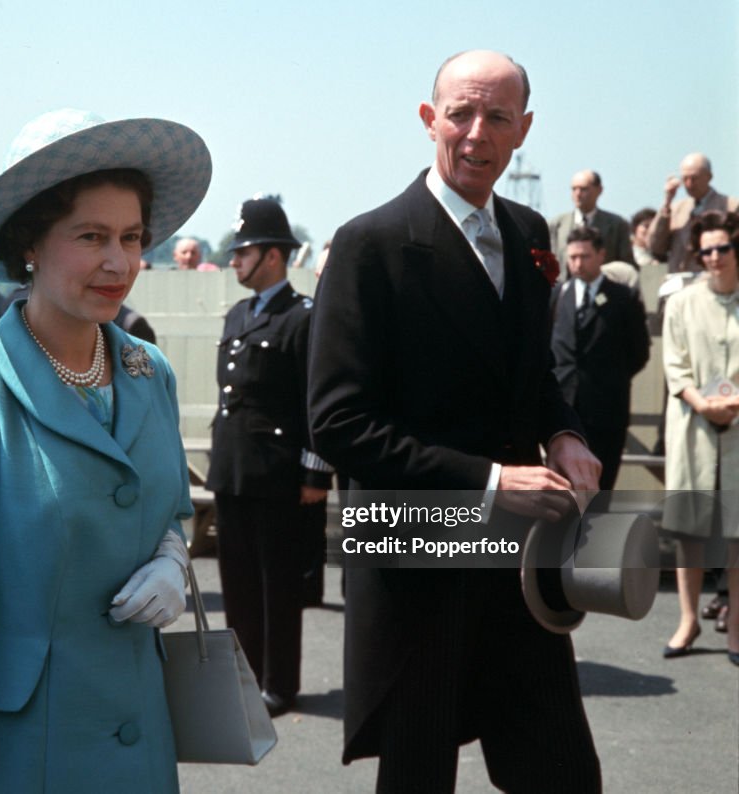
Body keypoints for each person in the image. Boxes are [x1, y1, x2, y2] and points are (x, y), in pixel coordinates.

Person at [0, 107, 212, 792]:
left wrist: (174, 562)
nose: (119, 262)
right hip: (10, 758)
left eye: (131, 237)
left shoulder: (150, 375)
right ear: (29, 243)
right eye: (91, 237)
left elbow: (172, 508)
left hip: (138, 745)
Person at [307, 50, 603, 792]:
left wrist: (565, 433)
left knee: (561, 770)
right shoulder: (368, 245)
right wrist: (492, 480)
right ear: (428, 119)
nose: (477, 133)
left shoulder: (531, 231)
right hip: (418, 566)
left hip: (517, 561)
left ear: (523, 128)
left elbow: (531, 381)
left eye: (497, 116)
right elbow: (338, 423)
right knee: (418, 775)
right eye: (461, 113)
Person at [205, 197, 332, 718]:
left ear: (274, 257)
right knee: (235, 583)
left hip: (279, 473)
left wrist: (315, 471)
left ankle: (279, 683)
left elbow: (317, 401)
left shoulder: (302, 318)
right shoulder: (238, 314)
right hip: (234, 468)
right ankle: (246, 676)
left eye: (244, 251)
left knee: (277, 585)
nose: (235, 260)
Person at [660, 210, 739, 667]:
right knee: (689, 528)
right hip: (693, 422)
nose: (713, 257)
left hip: (736, 428)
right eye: (706, 249)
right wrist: (701, 401)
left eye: (722, 248)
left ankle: (736, 628)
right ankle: (688, 619)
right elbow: (674, 363)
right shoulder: (683, 301)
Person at [551, 226, 650, 492]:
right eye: (572, 257)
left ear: (601, 255)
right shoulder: (558, 295)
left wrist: (609, 379)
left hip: (606, 412)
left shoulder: (623, 298)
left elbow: (639, 352)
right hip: (563, 412)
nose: (577, 263)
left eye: (584, 256)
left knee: (600, 491)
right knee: (562, 492)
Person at [649, 153, 739, 273]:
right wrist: (667, 203)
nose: (689, 184)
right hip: (678, 279)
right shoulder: (675, 209)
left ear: (709, 177)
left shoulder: (731, 206)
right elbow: (656, 246)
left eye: (694, 178)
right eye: (685, 179)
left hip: (714, 278)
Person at [549, 170, 635, 273]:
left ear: (599, 190)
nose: (578, 194)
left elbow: (627, 266)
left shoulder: (617, 225)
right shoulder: (557, 225)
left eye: (583, 189)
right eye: (574, 189)